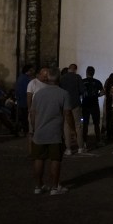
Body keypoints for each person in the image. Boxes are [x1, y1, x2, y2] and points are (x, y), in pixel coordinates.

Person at [29, 66, 72, 195]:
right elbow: (67, 114)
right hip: (55, 132)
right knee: (55, 159)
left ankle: (38, 186)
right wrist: (73, 129)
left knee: (38, 159)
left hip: (40, 131)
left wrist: (34, 127)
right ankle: (54, 187)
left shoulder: (39, 94)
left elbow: (32, 113)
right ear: (59, 78)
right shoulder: (63, 94)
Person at [59, 63, 84, 154]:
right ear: (75, 69)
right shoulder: (78, 77)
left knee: (66, 126)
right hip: (76, 103)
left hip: (65, 104)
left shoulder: (62, 78)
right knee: (78, 125)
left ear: (69, 68)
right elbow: (82, 90)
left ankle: (68, 148)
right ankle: (80, 147)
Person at [80, 65, 104, 148]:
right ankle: (98, 140)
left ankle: (84, 142)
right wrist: (97, 95)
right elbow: (103, 92)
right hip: (94, 104)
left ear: (87, 73)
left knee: (85, 124)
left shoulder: (82, 81)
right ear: (93, 73)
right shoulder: (97, 82)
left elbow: (79, 92)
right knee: (96, 123)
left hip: (85, 104)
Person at [15, 64, 35, 136]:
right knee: (25, 118)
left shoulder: (22, 78)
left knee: (23, 117)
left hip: (22, 101)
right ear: (28, 71)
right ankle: (26, 131)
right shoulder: (25, 79)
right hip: (25, 101)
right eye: (32, 70)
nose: (33, 71)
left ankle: (24, 130)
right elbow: (26, 92)